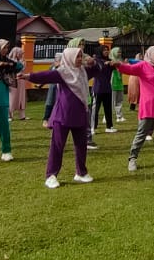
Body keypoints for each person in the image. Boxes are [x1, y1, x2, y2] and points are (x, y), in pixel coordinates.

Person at [21, 47, 94, 188]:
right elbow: (46, 75)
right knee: (57, 146)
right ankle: (51, 175)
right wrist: (28, 76)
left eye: (81, 56)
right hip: (63, 116)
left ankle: (81, 172)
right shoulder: (62, 73)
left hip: (79, 115)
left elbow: (99, 68)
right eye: (77, 57)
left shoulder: (84, 72)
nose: (80, 59)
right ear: (69, 58)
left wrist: (93, 61)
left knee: (81, 146)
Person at [116, 45, 154, 171]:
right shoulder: (142, 66)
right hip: (148, 107)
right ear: (151, 54)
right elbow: (128, 69)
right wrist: (117, 65)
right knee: (141, 134)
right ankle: (132, 158)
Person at [88, 45, 117, 133]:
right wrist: (105, 63)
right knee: (94, 109)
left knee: (108, 108)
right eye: (104, 50)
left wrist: (114, 63)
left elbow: (117, 67)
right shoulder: (96, 61)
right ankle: (92, 127)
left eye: (107, 50)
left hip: (107, 88)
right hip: (98, 89)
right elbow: (96, 66)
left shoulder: (110, 61)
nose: (106, 51)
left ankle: (109, 126)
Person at [7, 44, 28, 120]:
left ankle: (22, 115)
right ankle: (9, 115)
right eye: (21, 53)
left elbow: (23, 68)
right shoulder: (10, 61)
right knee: (12, 97)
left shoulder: (22, 61)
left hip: (21, 81)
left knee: (21, 97)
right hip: (13, 81)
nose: (22, 55)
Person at [109, 46, 127, 123]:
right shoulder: (110, 61)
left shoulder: (121, 61)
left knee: (119, 101)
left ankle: (119, 116)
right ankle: (107, 117)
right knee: (111, 102)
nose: (119, 53)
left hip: (119, 83)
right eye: (118, 52)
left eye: (120, 52)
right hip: (112, 83)